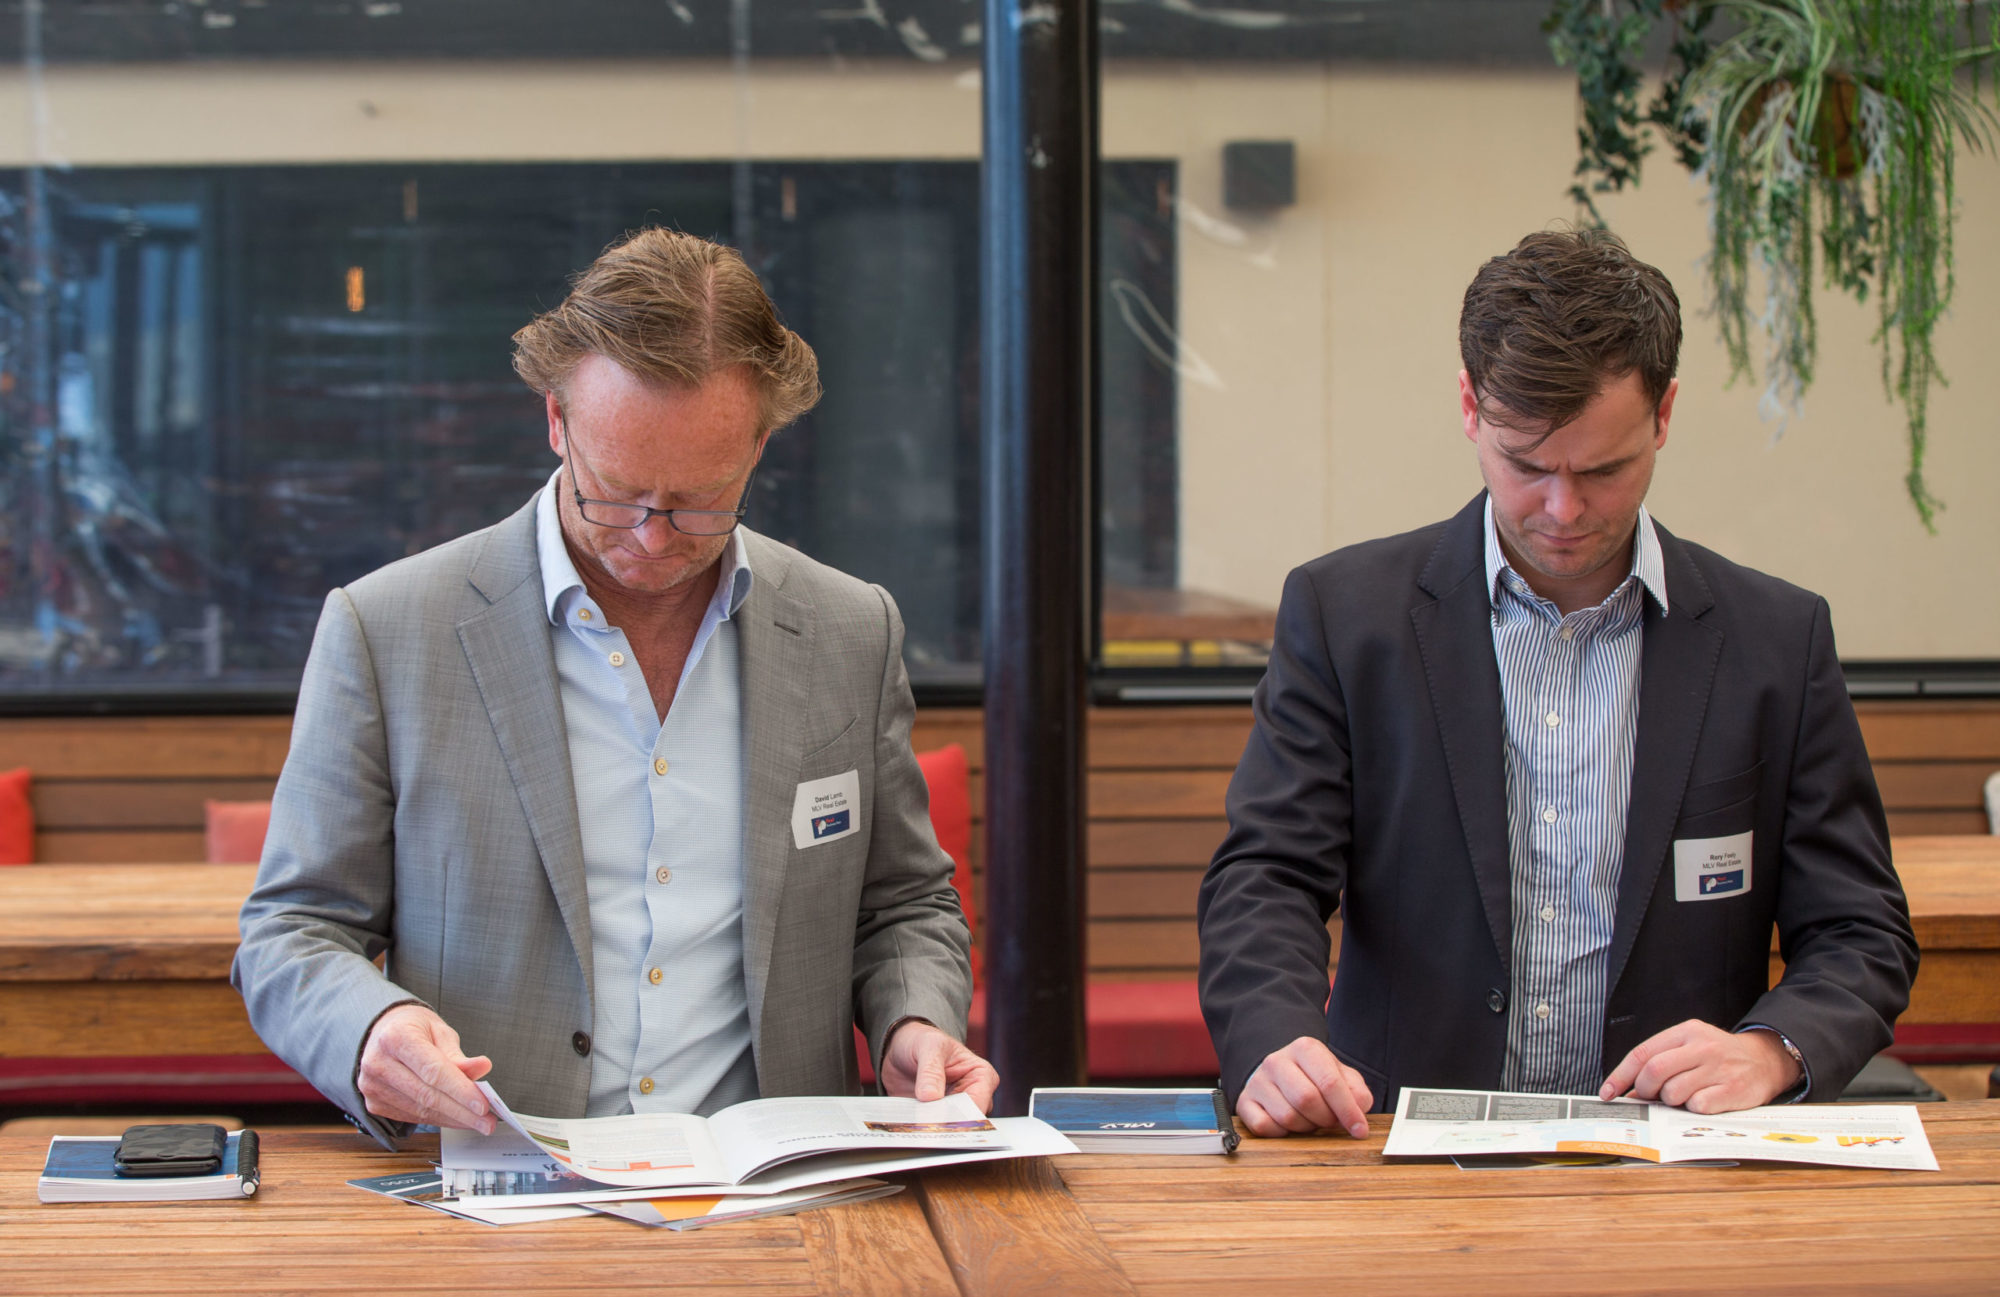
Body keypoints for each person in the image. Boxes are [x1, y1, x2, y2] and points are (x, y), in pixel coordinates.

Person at [235, 227, 995, 1147]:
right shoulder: (389, 628)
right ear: (556, 422)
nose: (651, 535)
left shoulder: (849, 629)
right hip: (497, 1172)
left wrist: (914, 1021)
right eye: (615, 490)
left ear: (759, 445)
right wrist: (370, 1027)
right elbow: (294, 929)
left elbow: (903, 902)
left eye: (700, 500)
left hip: (778, 1180)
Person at [1197, 228, 1917, 1138]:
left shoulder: (1775, 639)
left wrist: (1773, 1048)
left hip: (1676, 1159)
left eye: (1604, 469)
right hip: (1392, 1145)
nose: (1564, 509)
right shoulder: (1347, 617)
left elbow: (1860, 929)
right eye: (1526, 466)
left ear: (1664, 414)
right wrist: (1275, 1037)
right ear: (1470, 406)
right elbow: (1267, 874)